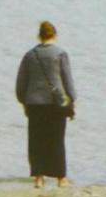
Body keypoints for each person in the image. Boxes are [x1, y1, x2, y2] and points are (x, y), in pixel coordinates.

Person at [16, 20, 77, 188]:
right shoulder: (60, 54)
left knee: (36, 140)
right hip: (56, 103)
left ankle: (38, 177)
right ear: (54, 35)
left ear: (39, 36)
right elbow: (67, 80)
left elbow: (21, 83)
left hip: (34, 103)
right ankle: (61, 177)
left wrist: (24, 101)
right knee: (56, 139)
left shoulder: (30, 55)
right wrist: (72, 99)